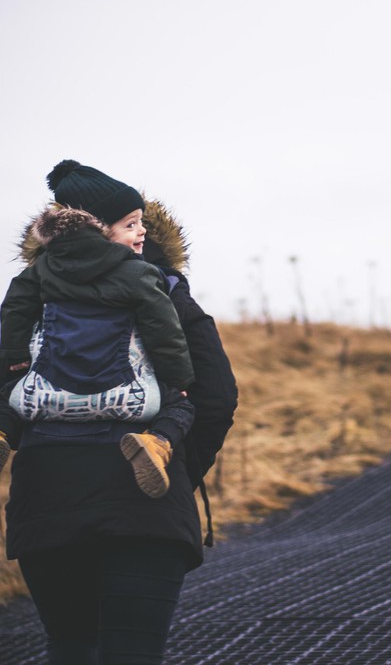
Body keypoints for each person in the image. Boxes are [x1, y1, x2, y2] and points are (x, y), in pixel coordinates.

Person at [0, 161, 238, 665]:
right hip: (143, 500)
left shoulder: (33, 285)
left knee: (71, 647)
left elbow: (7, 374)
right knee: (132, 651)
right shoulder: (166, 288)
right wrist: (174, 465)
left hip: (46, 492)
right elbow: (215, 394)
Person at [0, 160, 196, 499]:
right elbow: (163, 329)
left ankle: (2, 433)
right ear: (100, 229)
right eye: (132, 224)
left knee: (8, 398)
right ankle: (156, 443)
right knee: (181, 406)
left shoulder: (43, 268)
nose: (143, 230)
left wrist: (14, 356)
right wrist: (177, 378)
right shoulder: (139, 273)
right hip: (128, 397)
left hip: (43, 395)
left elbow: (15, 308)